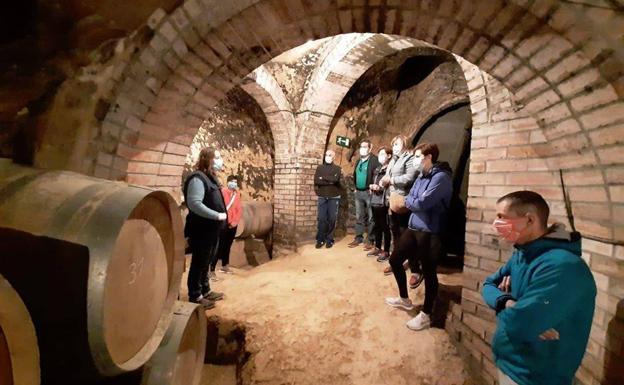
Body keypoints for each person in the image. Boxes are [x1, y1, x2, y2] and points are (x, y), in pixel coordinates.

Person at [482, 191, 596, 385]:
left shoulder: (562, 267)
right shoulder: (523, 253)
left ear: (529, 220)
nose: (496, 223)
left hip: (536, 375)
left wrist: (519, 315)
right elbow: (488, 285)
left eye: (502, 217)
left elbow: (522, 324)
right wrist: (508, 303)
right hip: (512, 363)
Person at [384, 143, 452, 331]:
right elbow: (415, 198)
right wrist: (412, 201)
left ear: (429, 157)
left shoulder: (442, 178)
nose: (415, 161)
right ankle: (405, 299)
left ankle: (426, 315)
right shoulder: (422, 176)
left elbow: (422, 202)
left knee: (429, 272)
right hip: (414, 226)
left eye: (417, 157)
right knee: (395, 259)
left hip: (430, 231)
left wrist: (407, 201)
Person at [183, 147, 226, 309]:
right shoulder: (197, 178)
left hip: (211, 229)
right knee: (199, 261)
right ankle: (195, 295)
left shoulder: (209, 177)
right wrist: (216, 215)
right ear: (207, 159)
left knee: (206, 260)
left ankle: (205, 290)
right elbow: (195, 204)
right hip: (201, 228)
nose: (220, 160)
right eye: (217, 157)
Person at [380, 136, 421, 288]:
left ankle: (416, 270)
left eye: (397, 144)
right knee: (395, 233)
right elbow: (388, 176)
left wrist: (391, 180)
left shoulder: (409, 158)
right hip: (392, 201)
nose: (395, 147)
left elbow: (410, 177)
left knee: (407, 237)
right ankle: (397, 261)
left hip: (403, 202)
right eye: (393, 144)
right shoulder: (393, 160)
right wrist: (383, 181)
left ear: (405, 144)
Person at [348, 139, 380, 249]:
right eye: (361, 146)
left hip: (369, 192)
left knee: (371, 217)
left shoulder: (374, 160)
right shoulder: (358, 161)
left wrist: (373, 186)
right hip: (359, 192)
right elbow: (355, 174)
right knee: (359, 216)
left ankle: (370, 239)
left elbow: (377, 175)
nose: (362, 149)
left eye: (365, 147)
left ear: (370, 148)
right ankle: (358, 238)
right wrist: (355, 188)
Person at [209, 175, 242, 278]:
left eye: (236, 182)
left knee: (227, 245)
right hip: (223, 223)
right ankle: (211, 270)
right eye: (232, 181)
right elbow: (219, 207)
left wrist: (235, 222)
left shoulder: (237, 194)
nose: (234, 183)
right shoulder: (222, 193)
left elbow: (238, 209)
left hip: (233, 224)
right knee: (218, 246)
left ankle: (225, 265)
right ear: (228, 182)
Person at [314, 150, 343, 249]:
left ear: (334, 157)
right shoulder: (319, 168)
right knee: (322, 219)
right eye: (326, 155)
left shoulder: (337, 168)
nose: (328, 156)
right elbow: (317, 181)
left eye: (330, 155)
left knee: (332, 219)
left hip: (334, 197)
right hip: (322, 196)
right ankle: (320, 239)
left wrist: (323, 178)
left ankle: (329, 239)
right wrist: (329, 180)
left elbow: (336, 180)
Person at [367, 147, 392, 259]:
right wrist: (372, 186)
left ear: (389, 156)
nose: (380, 156)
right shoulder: (378, 169)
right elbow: (376, 182)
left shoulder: (390, 170)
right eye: (379, 154)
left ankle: (386, 251)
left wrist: (380, 188)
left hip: (383, 202)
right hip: (375, 201)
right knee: (377, 226)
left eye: (383, 154)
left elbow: (389, 186)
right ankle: (377, 247)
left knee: (385, 227)